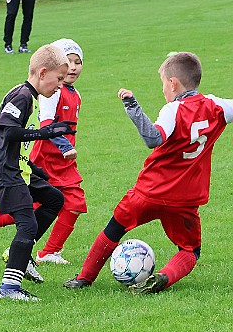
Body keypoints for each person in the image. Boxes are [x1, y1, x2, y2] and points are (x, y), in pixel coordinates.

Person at [64, 52, 233, 294]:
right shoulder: (218, 106)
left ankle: (83, 278)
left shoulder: (173, 109)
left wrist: (133, 107)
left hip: (149, 192)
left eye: (164, 83)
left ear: (173, 84)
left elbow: (154, 138)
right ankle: (164, 276)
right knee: (190, 251)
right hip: (185, 199)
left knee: (114, 229)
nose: (164, 88)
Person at [0, 44, 76, 301]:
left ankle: (23, 255)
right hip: (3, 173)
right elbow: (7, 131)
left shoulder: (32, 98)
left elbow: (17, 143)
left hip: (18, 169)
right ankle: (9, 287)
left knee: (55, 199)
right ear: (42, 73)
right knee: (27, 224)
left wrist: (37, 170)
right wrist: (45, 133)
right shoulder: (21, 96)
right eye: (58, 78)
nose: (60, 85)